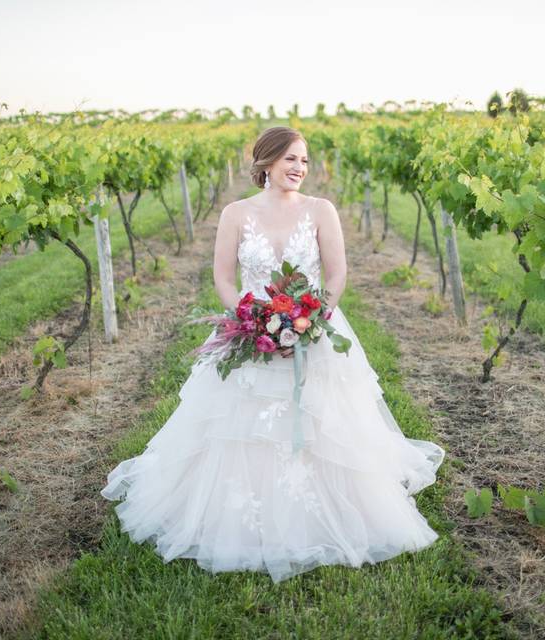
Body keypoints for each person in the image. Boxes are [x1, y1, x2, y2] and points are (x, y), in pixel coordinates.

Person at [101, 126, 446, 583]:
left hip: (314, 326)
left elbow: (337, 273)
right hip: (252, 329)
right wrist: (252, 319)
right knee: (240, 423)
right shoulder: (235, 213)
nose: (299, 168)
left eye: (303, 160)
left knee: (325, 419)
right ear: (265, 163)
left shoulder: (321, 211)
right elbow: (224, 277)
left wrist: (311, 318)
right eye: (289, 160)